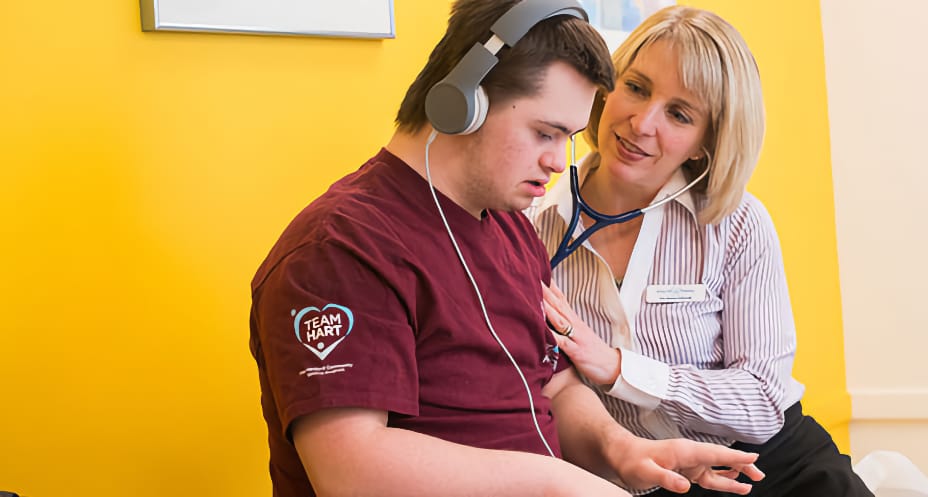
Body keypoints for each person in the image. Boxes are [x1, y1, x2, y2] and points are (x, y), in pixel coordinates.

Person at [247, 1, 766, 496]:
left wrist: (622, 449)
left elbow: (554, 389)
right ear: (462, 102)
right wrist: (556, 482)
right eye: (545, 133)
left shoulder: (512, 227)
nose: (560, 161)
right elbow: (350, 471)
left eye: (569, 137)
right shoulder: (341, 249)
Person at [533, 5, 874, 496]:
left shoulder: (736, 225)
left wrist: (619, 368)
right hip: (645, 481)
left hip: (769, 469)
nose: (642, 122)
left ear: (703, 143)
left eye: (679, 114)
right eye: (636, 87)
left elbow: (761, 400)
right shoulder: (531, 225)